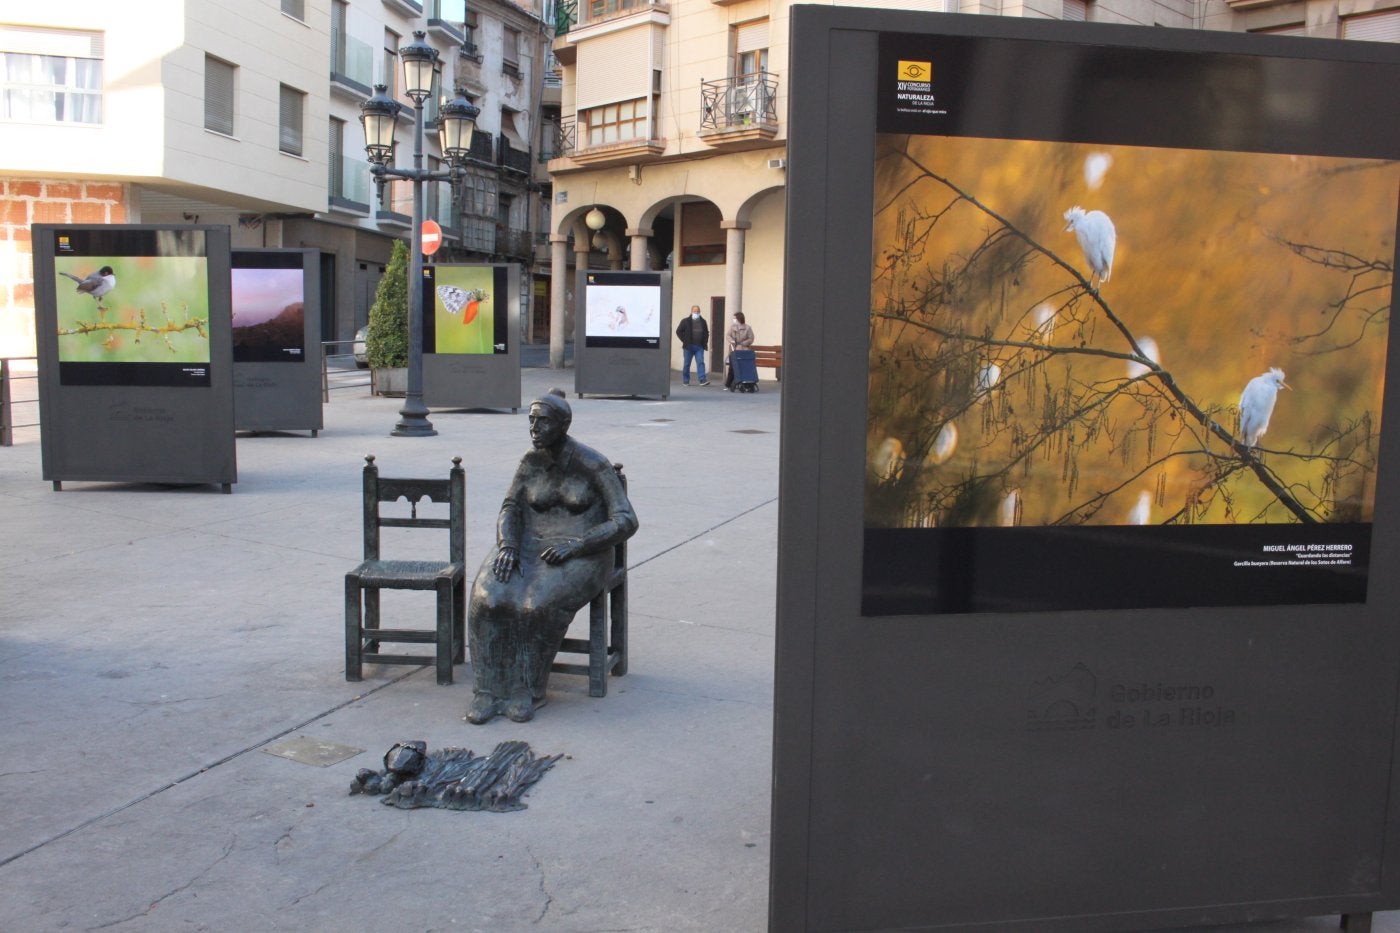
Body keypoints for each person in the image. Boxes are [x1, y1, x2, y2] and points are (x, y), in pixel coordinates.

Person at [467, 390, 639, 724]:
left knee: (535, 604)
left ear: (563, 424)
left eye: (542, 421)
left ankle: (527, 690)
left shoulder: (593, 464)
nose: (534, 427)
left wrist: (578, 544)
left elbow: (625, 520)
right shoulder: (530, 461)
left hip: (584, 552)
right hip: (527, 545)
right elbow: (511, 508)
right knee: (488, 598)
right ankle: (487, 690)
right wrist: (507, 545)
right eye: (531, 420)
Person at [675, 305, 710, 386]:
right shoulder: (685, 321)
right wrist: (684, 340)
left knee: (700, 362)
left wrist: (705, 342)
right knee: (687, 364)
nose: (696, 313)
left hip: (699, 346)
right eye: (695, 311)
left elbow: (706, 333)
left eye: (698, 311)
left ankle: (702, 379)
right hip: (688, 346)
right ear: (691, 312)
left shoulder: (703, 321)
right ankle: (686, 380)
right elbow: (678, 331)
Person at [724, 311, 755, 391]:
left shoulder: (747, 328)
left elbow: (751, 338)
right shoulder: (733, 327)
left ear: (739, 319)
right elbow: (728, 335)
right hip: (734, 349)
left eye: (735, 318)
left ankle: (744, 382)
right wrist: (732, 341)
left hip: (744, 349)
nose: (734, 320)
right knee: (732, 366)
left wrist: (743, 343)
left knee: (743, 366)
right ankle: (728, 384)